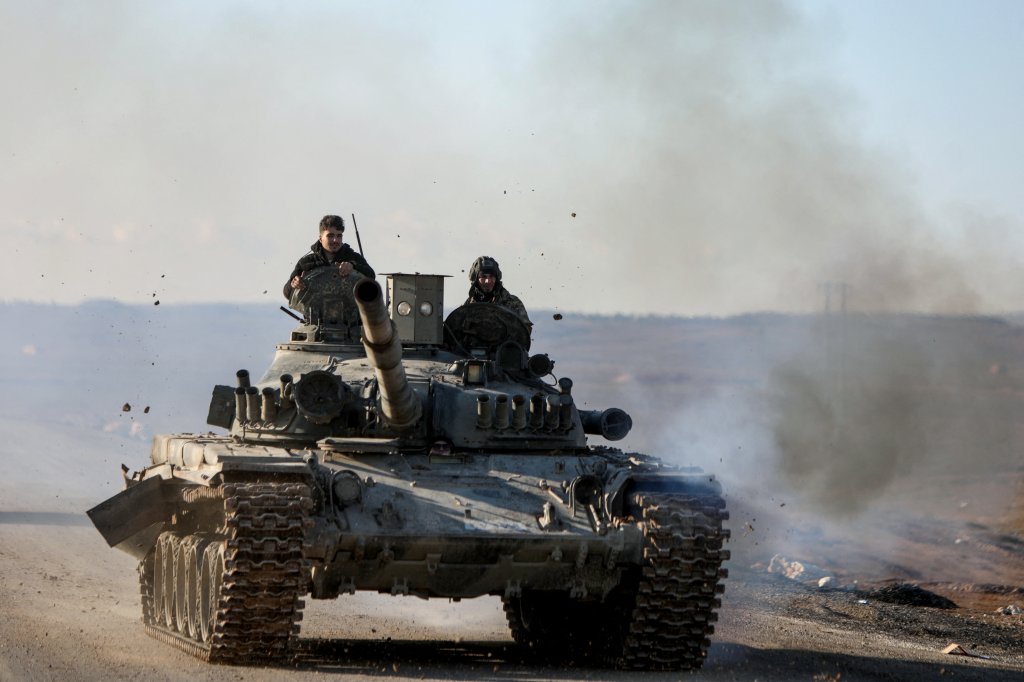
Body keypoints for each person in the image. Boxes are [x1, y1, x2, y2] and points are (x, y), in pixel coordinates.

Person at [283, 215, 375, 300]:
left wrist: (353, 266)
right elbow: (287, 293)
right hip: (316, 316)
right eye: (330, 236)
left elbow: (371, 276)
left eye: (339, 236)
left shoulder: (353, 257)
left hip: (350, 316)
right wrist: (294, 283)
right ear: (320, 238)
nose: (335, 240)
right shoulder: (307, 262)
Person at [464, 255, 532, 330]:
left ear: (496, 279)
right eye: (483, 277)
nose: (488, 281)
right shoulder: (468, 305)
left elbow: (525, 332)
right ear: (476, 280)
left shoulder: (512, 304)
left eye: (491, 276)